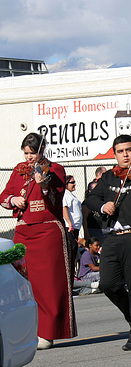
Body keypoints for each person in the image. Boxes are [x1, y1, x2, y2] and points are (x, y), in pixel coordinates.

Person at [84, 134, 131, 351]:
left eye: (129, 150)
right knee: (108, 283)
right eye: (120, 151)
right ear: (115, 154)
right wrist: (103, 206)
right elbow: (89, 198)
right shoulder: (109, 177)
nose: (125, 155)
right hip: (112, 237)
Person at [0, 132, 77, 350]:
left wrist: (44, 185)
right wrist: (13, 199)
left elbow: (55, 199)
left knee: (48, 286)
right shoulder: (18, 170)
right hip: (24, 233)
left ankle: (48, 332)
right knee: (26, 284)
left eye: (32, 153)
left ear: (41, 151)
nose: (29, 158)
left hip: (47, 232)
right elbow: (3, 195)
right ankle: (30, 330)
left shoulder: (54, 169)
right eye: (26, 153)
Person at [82, 166, 107, 244]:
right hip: (93, 229)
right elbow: (84, 217)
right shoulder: (87, 203)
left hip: (103, 228)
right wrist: (86, 233)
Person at [63, 175, 83, 265]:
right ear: (66, 184)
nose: (74, 184)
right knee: (70, 253)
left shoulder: (71, 194)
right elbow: (64, 208)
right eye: (72, 182)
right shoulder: (65, 194)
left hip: (75, 228)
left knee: (74, 252)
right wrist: (70, 223)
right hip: (70, 228)